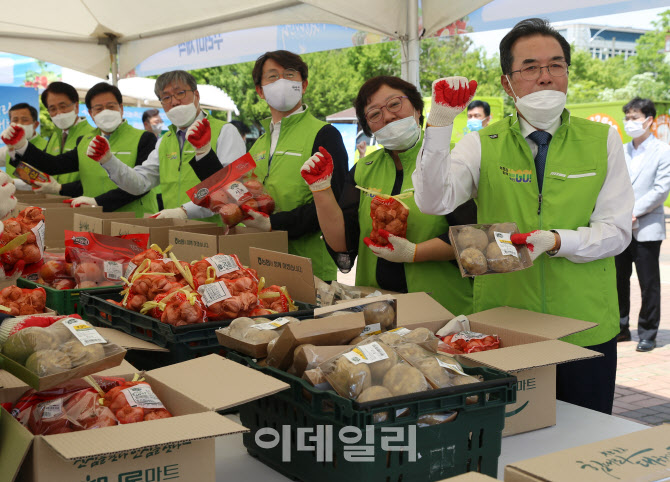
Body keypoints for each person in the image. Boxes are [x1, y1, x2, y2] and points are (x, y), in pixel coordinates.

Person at [412, 18, 634, 415]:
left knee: (583, 436)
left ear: (567, 72)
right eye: (530, 67)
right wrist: (441, 123)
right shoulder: (482, 142)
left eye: (556, 65)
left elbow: (617, 231)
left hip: (585, 325)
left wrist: (559, 240)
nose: (545, 77)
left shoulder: (602, 139)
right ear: (507, 82)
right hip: (505, 325)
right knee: (511, 438)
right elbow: (433, 200)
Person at [300, 76, 475, 314]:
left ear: (417, 108)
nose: (388, 117)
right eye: (374, 114)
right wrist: (321, 189)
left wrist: (414, 253)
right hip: (376, 308)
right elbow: (342, 242)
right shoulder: (365, 168)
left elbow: (474, 237)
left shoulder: (453, 159)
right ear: (368, 127)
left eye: (394, 104)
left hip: (441, 306)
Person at [75, 70, 246, 220]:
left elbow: (234, 188)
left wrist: (185, 211)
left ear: (197, 95)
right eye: (166, 97)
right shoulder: (166, 140)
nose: (174, 101)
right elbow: (140, 183)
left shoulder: (225, 131)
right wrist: (109, 161)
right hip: (175, 232)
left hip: (219, 231)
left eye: (180, 93)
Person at [245, 50, 348, 282]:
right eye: (272, 76)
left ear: (304, 85)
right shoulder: (259, 144)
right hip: (262, 265)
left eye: (289, 74)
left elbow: (335, 200)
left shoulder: (324, 134)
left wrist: (273, 223)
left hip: (311, 268)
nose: (282, 81)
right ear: (260, 91)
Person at [2, 83, 158, 215]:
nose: (105, 112)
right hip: (93, 217)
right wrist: (22, 145)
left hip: (134, 218)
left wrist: (98, 201)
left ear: (121, 108)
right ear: (90, 113)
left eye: (111, 106)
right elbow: (54, 165)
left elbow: (142, 184)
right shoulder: (85, 141)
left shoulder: (144, 138)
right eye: (98, 108)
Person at [616, 98, 670, 352]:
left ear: (649, 120)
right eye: (628, 118)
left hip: (647, 226)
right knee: (618, 279)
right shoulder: (622, 149)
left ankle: (648, 332)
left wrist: (633, 212)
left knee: (648, 283)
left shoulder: (663, 150)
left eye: (635, 117)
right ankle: (621, 327)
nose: (630, 123)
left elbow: (661, 189)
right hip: (621, 227)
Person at [33, 81, 95, 196]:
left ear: (76, 106)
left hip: (83, 206)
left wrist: (61, 188)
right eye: (53, 109)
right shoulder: (55, 136)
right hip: (55, 205)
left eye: (63, 106)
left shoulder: (90, 136)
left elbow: (95, 179)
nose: (59, 113)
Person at [3, 103, 48, 190]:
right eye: (15, 120)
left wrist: (11, 182)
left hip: (39, 200)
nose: (19, 124)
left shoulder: (47, 147)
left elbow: (43, 182)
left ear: (35, 125)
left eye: (24, 120)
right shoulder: (9, 148)